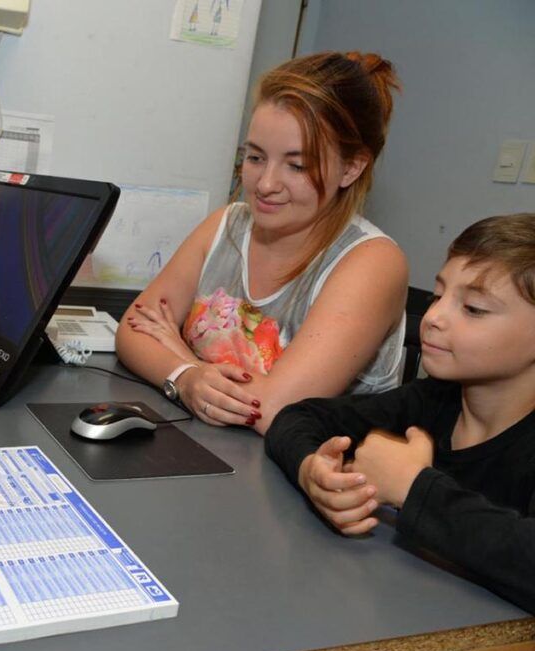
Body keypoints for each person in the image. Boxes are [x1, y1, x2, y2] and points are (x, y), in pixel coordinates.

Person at [117, 52, 408, 434]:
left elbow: (273, 409)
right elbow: (134, 327)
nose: (266, 184)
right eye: (255, 157)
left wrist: (175, 353)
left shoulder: (373, 263)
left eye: (297, 165)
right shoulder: (226, 224)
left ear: (352, 167)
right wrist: (186, 378)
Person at [265, 214, 535, 613]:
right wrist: (311, 471)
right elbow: (299, 417)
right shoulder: (433, 401)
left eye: (473, 309)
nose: (433, 318)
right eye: (438, 296)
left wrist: (412, 486)